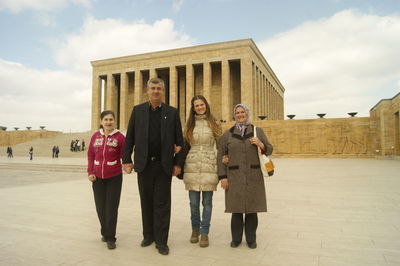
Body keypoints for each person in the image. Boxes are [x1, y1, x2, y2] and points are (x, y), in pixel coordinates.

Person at [123, 77, 183, 255]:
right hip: (144, 165)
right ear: (147, 91)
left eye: (159, 89)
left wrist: (178, 164)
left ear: (163, 91)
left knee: (162, 205)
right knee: (146, 201)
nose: (156, 91)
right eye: (153, 88)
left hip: (164, 165)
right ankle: (148, 235)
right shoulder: (138, 111)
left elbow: (179, 141)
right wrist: (126, 159)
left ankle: (162, 241)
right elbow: (130, 138)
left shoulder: (172, 113)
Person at [217, 104, 273, 249]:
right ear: (234, 115)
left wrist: (260, 144)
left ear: (247, 114)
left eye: (243, 112)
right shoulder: (227, 134)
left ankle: (251, 239)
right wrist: (223, 176)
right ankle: (235, 239)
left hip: (253, 175)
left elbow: (270, 149)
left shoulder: (257, 131)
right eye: (237, 112)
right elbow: (220, 155)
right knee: (236, 210)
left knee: (252, 210)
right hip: (234, 177)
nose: (240, 115)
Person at [178, 95, 221, 247]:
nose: (200, 107)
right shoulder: (189, 125)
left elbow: (221, 146)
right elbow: (183, 147)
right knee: (193, 203)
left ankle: (204, 233)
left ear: (206, 105)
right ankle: (195, 229)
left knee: (207, 202)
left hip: (209, 164)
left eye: (202, 104)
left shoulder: (214, 123)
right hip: (192, 164)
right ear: (193, 108)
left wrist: (223, 167)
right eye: (197, 106)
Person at [87, 110, 125, 250]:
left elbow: (124, 155)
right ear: (101, 121)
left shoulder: (120, 137)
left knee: (111, 208)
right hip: (97, 177)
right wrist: (90, 171)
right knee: (100, 207)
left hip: (114, 177)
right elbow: (91, 155)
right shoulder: (95, 136)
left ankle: (111, 237)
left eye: (111, 119)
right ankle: (105, 231)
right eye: (106, 120)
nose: (108, 122)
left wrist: (128, 165)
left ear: (114, 121)